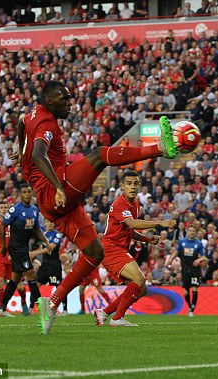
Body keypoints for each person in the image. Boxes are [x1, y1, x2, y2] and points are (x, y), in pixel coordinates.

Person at [12, 81, 179, 334]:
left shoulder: (34, 113)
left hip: (55, 203)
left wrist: (19, 149)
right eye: (64, 99)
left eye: (70, 98)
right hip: (54, 190)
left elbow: (22, 123)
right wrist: (57, 186)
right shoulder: (46, 123)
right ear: (49, 102)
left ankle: (52, 303)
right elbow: (38, 154)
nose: (70, 103)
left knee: (94, 252)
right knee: (101, 154)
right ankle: (159, 148)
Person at [93, 170, 176, 326]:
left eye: (136, 183)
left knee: (142, 288)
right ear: (122, 186)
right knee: (140, 279)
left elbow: (128, 230)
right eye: (129, 184)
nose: (132, 187)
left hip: (120, 248)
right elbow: (131, 223)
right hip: (111, 248)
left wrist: (146, 239)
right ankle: (117, 319)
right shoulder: (119, 204)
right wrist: (160, 223)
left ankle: (104, 312)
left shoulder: (135, 203)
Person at [0, 184, 51, 317]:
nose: (27, 194)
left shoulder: (34, 210)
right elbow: (3, 225)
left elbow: (37, 229)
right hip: (16, 247)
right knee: (32, 274)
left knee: (15, 278)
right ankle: (41, 307)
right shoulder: (15, 209)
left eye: (29, 192)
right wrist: (4, 246)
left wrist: (45, 241)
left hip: (23, 247)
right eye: (24, 192)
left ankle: (2, 308)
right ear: (20, 195)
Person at [0, 200, 29, 316]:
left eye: (6, 207)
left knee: (19, 287)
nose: (4, 209)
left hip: (14, 259)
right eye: (2, 207)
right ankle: (2, 309)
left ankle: (24, 302)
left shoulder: (14, 223)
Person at [168, 225, 206, 317]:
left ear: (195, 232)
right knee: (185, 291)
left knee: (194, 288)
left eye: (193, 231)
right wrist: (171, 259)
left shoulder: (198, 243)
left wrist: (198, 260)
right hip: (185, 269)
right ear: (187, 231)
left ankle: (192, 309)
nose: (192, 232)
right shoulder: (182, 242)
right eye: (190, 230)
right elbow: (177, 251)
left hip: (194, 269)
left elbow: (203, 256)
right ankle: (190, 306)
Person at [34, 220, 68, 316]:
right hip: (44, 265)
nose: (50, 224)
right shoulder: (43, 233)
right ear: (44, 223)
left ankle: (65, 310)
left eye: (51, 222)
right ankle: (33, 307)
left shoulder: (57, 235)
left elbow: (51, 247)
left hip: (54, 265)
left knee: (59, 287)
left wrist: (34, 253)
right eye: (48, 222)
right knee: (36, 285)